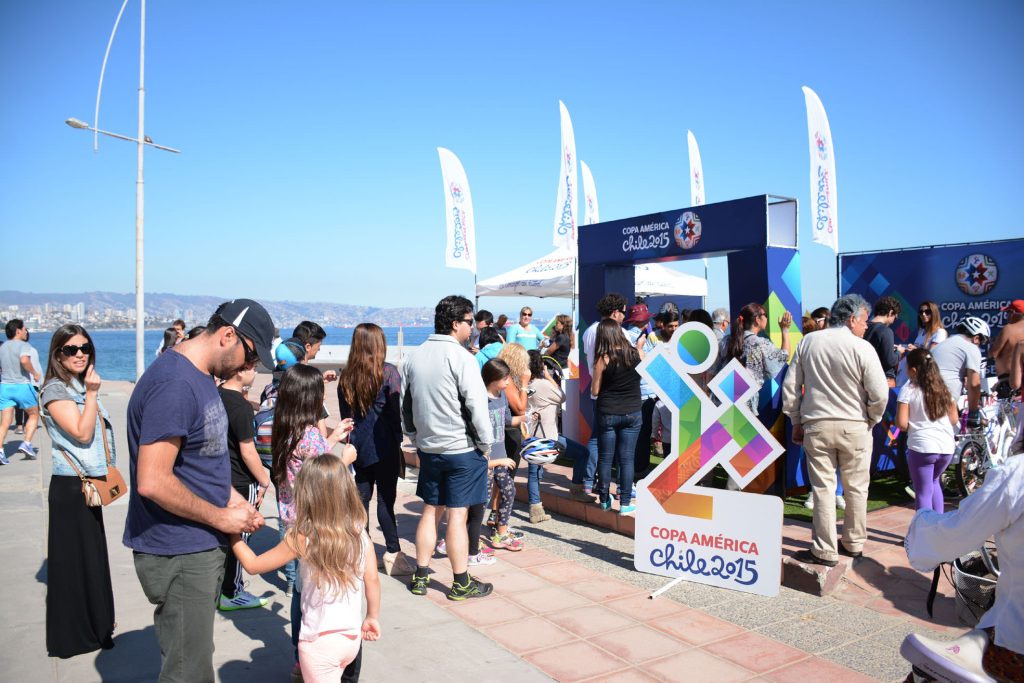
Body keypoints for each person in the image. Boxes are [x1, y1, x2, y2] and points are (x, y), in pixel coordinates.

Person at [122, 299, 274, 683]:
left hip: (195, 545)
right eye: (249, 355)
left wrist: (228, 495)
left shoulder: (197, 377)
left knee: (195, 657)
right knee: (188, 671)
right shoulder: (175, 384)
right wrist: (221, 516)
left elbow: (194, 460)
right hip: (179, 549)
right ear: (227, 335)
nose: (245, 367)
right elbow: (153, 480)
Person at [231, 454, 382, 683]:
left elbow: (253, 565)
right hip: (351, 638)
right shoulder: (360, 534)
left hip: (319, 643)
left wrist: (232, 533)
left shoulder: (304, 537)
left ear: (306, 494)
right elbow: (372, 580)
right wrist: (372, 616)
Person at [782, 294, 889, 567]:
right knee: (856, 488)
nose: (866, 326)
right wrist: (871, 419)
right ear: (852, 319)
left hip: (816, 425)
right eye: (864, 320)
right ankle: (853, 543)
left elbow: (791, 386)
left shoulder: (809, 341)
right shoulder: (862, 348)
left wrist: (795, 419)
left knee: (823, 488)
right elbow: (879, 393)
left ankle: (825, 549)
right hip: (855, 426)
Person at [401, 295, 494, 600]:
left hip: (429, 448)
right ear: (456, 324)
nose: (473, 328)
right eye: (470, 322)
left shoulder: (414, 357)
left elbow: (407, 406)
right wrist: (485, 444)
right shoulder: (462, 358)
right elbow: (476, 406)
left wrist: (416, 439)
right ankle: (460, 581)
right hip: (461, 448)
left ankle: (420, 575)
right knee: (457, 515)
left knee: (430, 510)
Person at [272, 363, 357, 682]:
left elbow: (312, 456)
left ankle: (300, 653)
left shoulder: (286, 425)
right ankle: (304, 654)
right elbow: (324, 470)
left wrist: (333, 436)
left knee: (300, 588)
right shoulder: (308, 435)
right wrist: (344, 458)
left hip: (290, 517)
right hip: (311, 521)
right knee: (307, 593)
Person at [39, 325, 115, 658]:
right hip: (71, 488)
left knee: (91, 560)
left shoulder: (76, 386)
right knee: (73, 563)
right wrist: (94, 394)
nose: (80, 353)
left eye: (84, 347)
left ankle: (97, 628)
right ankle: (74, 636)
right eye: (71, 349)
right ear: (57, 354)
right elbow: (82, 434)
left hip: (85, 483)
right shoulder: (56, 390)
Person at [904, 456, 1024, 667]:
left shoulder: (1017, 473)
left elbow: (959, 530)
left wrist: (921, 522)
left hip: (1014, 638)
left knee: (928, 671)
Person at [337, 323, 415, 577]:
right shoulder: (388, 373)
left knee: (361, 502)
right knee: (385, 501)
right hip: (385, 446)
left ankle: (363, 555)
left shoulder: (346, 376)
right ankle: (393, 553)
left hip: (357, 447)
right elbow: (396, 413)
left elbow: (345, 419)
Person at [217, 360, 273, 611]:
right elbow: (248, 451)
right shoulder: (239, 406)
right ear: (239, 371)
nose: (256, 371)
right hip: (240, 479)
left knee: (224, 535)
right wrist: (263, 479)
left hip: (220, 477)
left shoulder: (215, 395)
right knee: (241, 537)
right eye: (251, 367)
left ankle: (221, 587)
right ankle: (232, 591)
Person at [572, 292, 627, 503]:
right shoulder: (620, 333)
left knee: (597, 438)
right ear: (615, 313)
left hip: (597, 391)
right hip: (616, 392)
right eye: (623, 313)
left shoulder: (589, 332)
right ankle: (620, 488)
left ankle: (588, 482)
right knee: (619, 442)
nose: (624, 317)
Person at [895, 348, 957, 512]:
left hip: (922, 448)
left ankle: (922, 534)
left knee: (922, 491)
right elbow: (954, 419)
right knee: (934, 482)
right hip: (946, 448)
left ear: (913, 370)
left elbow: (901, 423)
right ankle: (938, 529)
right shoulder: (944, 389)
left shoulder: (908, 390)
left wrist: (917, 426)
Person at [592, 318, 643, 513]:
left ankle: (605, 500)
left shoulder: (603, 358)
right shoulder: (635, 353)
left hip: (608, 411)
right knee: (627, 459)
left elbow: (595, 390)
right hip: (633, 411)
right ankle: (625, 503)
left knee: (606, 457)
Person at [481, 359, 525, 550]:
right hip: (486, 459)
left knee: (509, 491)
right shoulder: (480, 399)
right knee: (482, 499)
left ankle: (501, 533)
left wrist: (525, 418)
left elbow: (507, 421)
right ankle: (470, 538)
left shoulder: (502, 396)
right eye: (505, 379)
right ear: (493, 379)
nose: (508, 383)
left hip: (502, 456)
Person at [723, 303, 793, 416]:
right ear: (757, 319)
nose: (767, 318)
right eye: (765, 315)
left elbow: (713, 370)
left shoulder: (726, 341)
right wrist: (785, 329)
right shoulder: (760, 343)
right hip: (746, 403)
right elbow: (784, 355)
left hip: (723, 398)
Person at [494, 342, 531, 530]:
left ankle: (495, 515)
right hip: (509, 434)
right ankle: (499, 521)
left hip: (507, 432)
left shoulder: (502, 378)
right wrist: (524, 384)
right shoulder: (507, 380)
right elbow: (520, 407)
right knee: (506, 480)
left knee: (500, 479)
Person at [931, 316, 990, 429]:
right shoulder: (971, 348)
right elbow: (974, 384)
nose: (980, 345)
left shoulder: (943, 344)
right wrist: (973, 412)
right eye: (981, 342)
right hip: (943, 398)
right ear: (976, 338)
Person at [527, 350, 564, 523]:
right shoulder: (542, 383)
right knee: (535, 472)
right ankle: (535, 509)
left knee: (535, 471)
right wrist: (549, 377)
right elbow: (562, 397)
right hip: (547, 435)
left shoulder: (526, 383)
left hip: (533, 433)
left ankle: (536, 507)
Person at [0, 318, 42, 463]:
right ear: (18, 331)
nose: (26, 331)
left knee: (5, 422)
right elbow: (24, 360)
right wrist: (35, 373)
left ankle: (0, 451)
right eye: (24, 329)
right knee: (34, 414)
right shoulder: (23, 345)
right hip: (22, 386)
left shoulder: (3, 347)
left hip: (5, 387)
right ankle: (27, 444)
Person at [625, 303, 656, 487]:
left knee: (634, 436)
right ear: (645, 320)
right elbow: (649, 363)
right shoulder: (642, 339)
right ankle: (640, 471)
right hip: (644, 392)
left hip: (633, 392)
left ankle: (635, 471)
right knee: (642, 435)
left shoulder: (624, 336)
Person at [864, 296, 903, 388]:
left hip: (864, 379)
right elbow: (889, 361)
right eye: (895, 317)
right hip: (881, 381)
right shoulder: (886, 331)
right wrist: (898, 352)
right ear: (890, 313)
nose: (893, 321)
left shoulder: (863, 327)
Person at [992, 300, 1024, 385]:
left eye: (1008, 313)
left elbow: (992, 354)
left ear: (1013, 312)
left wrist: (994, 342)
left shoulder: (1009, 329)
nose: (1007, 316)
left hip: (1009, 381)